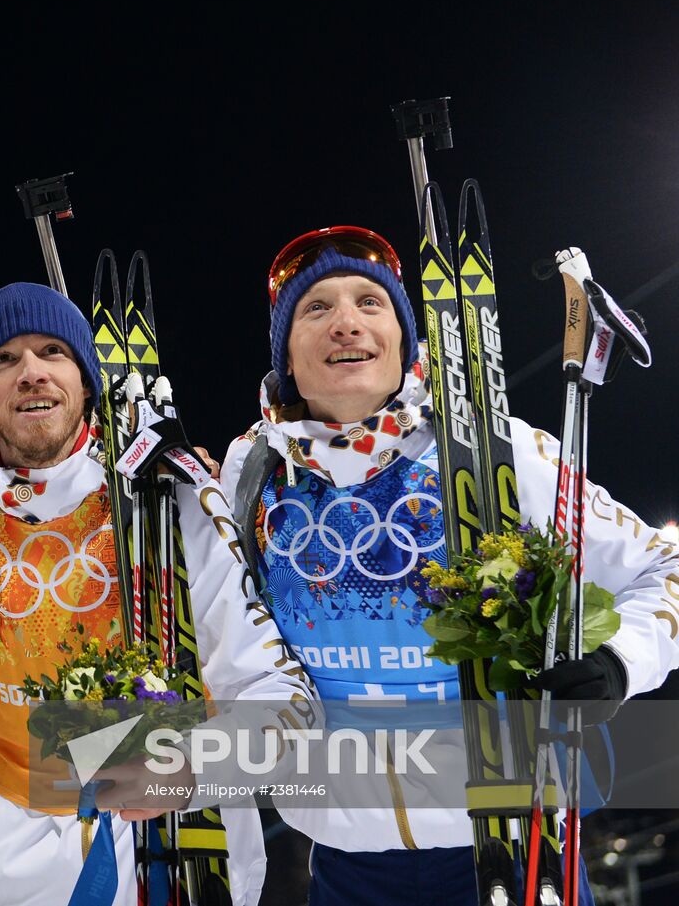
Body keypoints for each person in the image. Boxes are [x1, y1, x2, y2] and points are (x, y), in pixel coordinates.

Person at [219, 226, 679, 904]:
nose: (346, 322)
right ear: (285, 350)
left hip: (512, 843)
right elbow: (219, 635)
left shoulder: (496, 450)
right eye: (316, 308)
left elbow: (664, 569)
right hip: (348, 867)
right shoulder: (251, 476)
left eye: (370, 303)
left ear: (405, 338)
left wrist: (618, 660)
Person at [0, 282, 315, 906]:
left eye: (54, 352)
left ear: (85, 382)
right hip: (11, 861)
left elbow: (286, 702)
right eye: (5, 359)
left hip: (170, 848)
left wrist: (195, 770)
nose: (31, 373)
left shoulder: (173, 497)